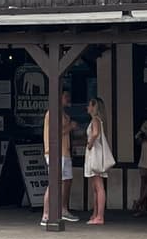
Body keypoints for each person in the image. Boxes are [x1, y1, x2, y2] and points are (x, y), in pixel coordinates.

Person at [41, 90, 79, 226]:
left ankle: (63, 209)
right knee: (54, 181)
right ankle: (46, 214)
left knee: (67, 180)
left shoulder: (64, 115)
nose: (68, 98)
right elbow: (54, 133)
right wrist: (70, 127)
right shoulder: (52, 113)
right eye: (65, 96)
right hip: (54, 152)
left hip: (65, 151)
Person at [83, 96, 109, 225]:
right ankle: (95, 213)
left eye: (89, 105)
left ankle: (99, 216)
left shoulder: (95, 120)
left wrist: (89, 144)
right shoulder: (99, 120)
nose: (87, 107)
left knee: (98, 186)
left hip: (95, 154)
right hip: (96, 153)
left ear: (94, 107)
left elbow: (95, 133)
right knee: (96, 186)